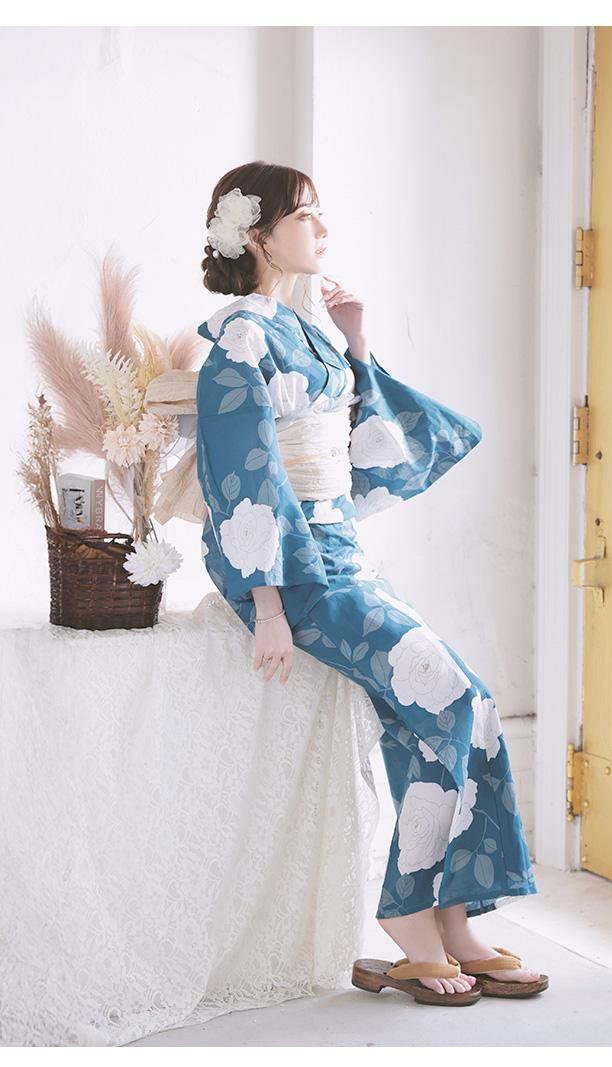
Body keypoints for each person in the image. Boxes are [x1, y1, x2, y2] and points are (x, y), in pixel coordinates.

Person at [196, 161, 548, 1004]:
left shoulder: (304, 329)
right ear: (258, 235)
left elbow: (358, 442)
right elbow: (241, 472)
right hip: (300, 571)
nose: (322, 229)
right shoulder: (239, 338)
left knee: (460, 713)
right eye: (306, 215)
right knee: (454, 700)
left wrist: (355, 344)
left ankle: (450, 920)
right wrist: (268, 604)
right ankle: (409, 920)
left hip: (342, 553)